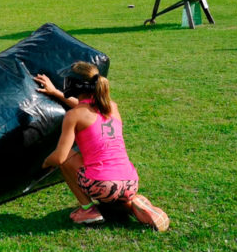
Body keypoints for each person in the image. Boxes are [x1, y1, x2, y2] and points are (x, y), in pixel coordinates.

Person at [34, 61, 170, 231]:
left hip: (103, 185)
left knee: (67, 156)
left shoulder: (74, 116)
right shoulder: (112, 107)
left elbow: (60, 157)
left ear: (75, 85)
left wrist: (43, 163)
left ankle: (87, 210)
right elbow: (87, 110)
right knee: (111, 201)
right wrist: (56, 93)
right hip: (130, 182)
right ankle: (131, 202)